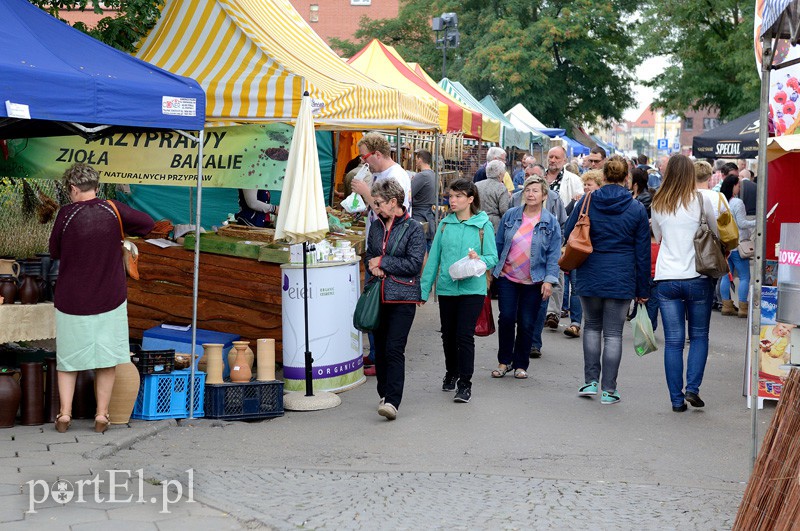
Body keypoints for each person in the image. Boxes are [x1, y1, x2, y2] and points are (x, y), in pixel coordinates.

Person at [49, 163, 155, 433]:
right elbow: (148, 224)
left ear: (73, 188)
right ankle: (102, 416)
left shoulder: (65, 215)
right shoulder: (114, 209)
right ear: (95, 186)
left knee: (68, 360)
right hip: (110, 298)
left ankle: (64, 415)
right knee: (107, 360)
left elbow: (54, 252)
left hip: (71, 299)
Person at [565, 155, 650, 405]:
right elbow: (642, 253)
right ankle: (609, 389)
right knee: (613, 334)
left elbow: (570, 230)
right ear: (627, 178)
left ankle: (590, 381)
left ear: (603, 176)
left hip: (589, 271)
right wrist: (643, 289)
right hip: (622, 276)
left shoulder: (587, 201)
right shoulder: (636, 208)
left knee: (591, 327)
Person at [651, 154, 719, 413]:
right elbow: (714, 231)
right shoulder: (701, 200)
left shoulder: (659, 202)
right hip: (697, 276)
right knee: (699, 335)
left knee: (674, 342)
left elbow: (658, 236)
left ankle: (676, 400)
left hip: (667, 278)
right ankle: (692, 388)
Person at [420, 179, 498, 403]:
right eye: (450, 196)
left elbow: (493, 257)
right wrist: (424, 291)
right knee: (448, 335)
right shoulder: (445, 224)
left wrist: (479, 258)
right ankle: (451, 371)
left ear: (470, 199)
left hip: (473, 289)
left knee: (464, 335)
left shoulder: (483, 225)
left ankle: (465, 383)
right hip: (447, 288)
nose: (452, 201)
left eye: (458, 196)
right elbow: (433, 259)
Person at [364, 178, 426, 421]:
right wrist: (373, 266)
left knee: (394, 348)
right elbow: (370, 255)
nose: (375, 207)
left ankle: (392, 400)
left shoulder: (413, 228)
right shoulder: (377, 225)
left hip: (402, 297)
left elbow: (413, 264)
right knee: (379, 348)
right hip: (378, 295)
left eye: (378, 203)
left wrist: (383, 263)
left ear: (393, 201)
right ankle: (383, 393)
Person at [491, 176, 561, 379]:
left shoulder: (550, 222)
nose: (530, 194)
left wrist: (549, 280)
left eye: (535, 191)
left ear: (544, 195)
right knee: (506, 318)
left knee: (527, 321)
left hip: (534, 280)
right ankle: (504, 361)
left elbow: (554, 254)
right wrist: (492, 271)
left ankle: (521, 364)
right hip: (507, 277)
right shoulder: (511, 216)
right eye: (528, 190)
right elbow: (498, 244)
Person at [543, 145, 583, 330]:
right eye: (551, 156)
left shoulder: (573, 180)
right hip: (539, 232)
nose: (552, 160)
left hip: (563, 231)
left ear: (564, 160)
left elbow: (579, 206)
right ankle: (542, 311)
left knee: (557, 273)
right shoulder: (540, 178)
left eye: (557, 157)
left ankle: (553, 313)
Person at [718, 174, 756, 318]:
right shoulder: (737, 203)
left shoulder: (722, 201)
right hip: (739, 243)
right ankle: (743, 307)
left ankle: (726, 305)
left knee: (726, 276)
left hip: (726, 244)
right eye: (738, 185)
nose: (739, 187)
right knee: (745, 276)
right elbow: (742, 223)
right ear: (733, 186)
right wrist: (758, 221)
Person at [410, 149, 437, 248]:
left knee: (420, 250)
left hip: (419, 217)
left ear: (420, 159)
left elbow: (409, 194)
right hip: (428, 216)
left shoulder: (422, 175)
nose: (415, 162)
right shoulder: (433, 174)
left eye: (416, 159)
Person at [475, 159, 511, 232]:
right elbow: (504, 210)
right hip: (494, 225)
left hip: (477, 222)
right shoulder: (501, 188)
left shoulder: (476, 185)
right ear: (500, 174)